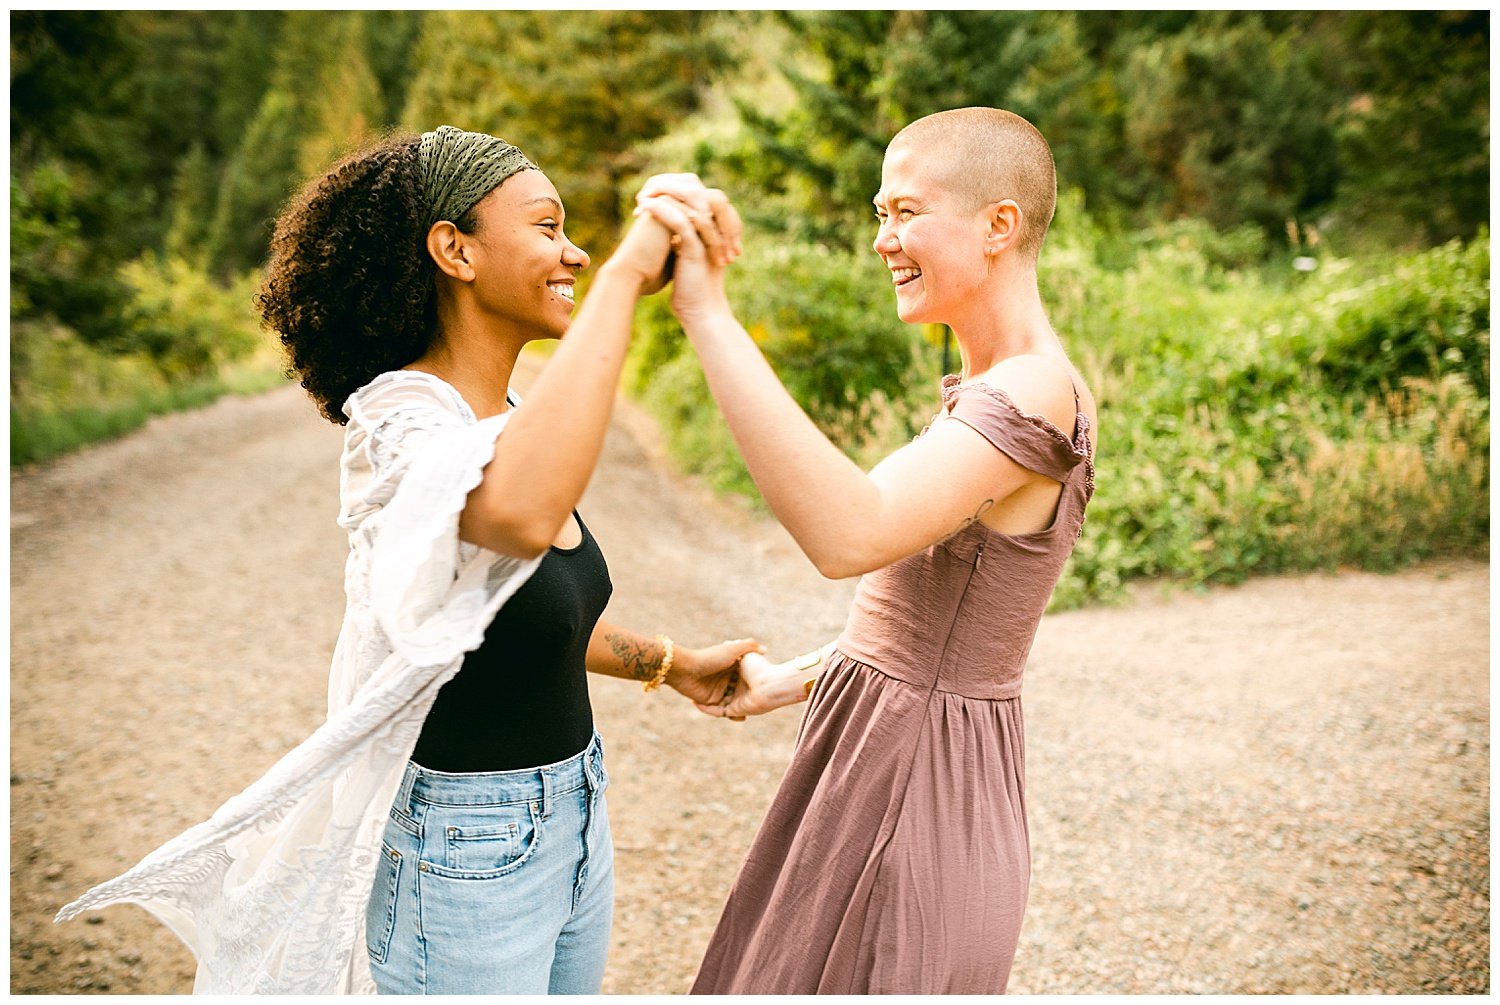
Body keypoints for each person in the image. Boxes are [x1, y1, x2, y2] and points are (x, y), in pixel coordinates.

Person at [55, 126, 756, 995]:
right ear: (453, 249)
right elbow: (521, 519)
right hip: (467, 844)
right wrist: (625, 273)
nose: (574, 250)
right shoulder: (400, 425)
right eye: (547, 227)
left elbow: (505, 613)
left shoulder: (504, 410)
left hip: (574, 812)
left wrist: (675, 666)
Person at [639, 107, 1098, 993]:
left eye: (905, 211)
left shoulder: (1036, 389)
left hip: (915, 786)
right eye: (879, 213)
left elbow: (850, 532)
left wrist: (705, 311)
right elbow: (937, 623)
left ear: (999, 224)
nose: (883, 239)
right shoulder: (1003, 385)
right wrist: (794, 679)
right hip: (884, 757)